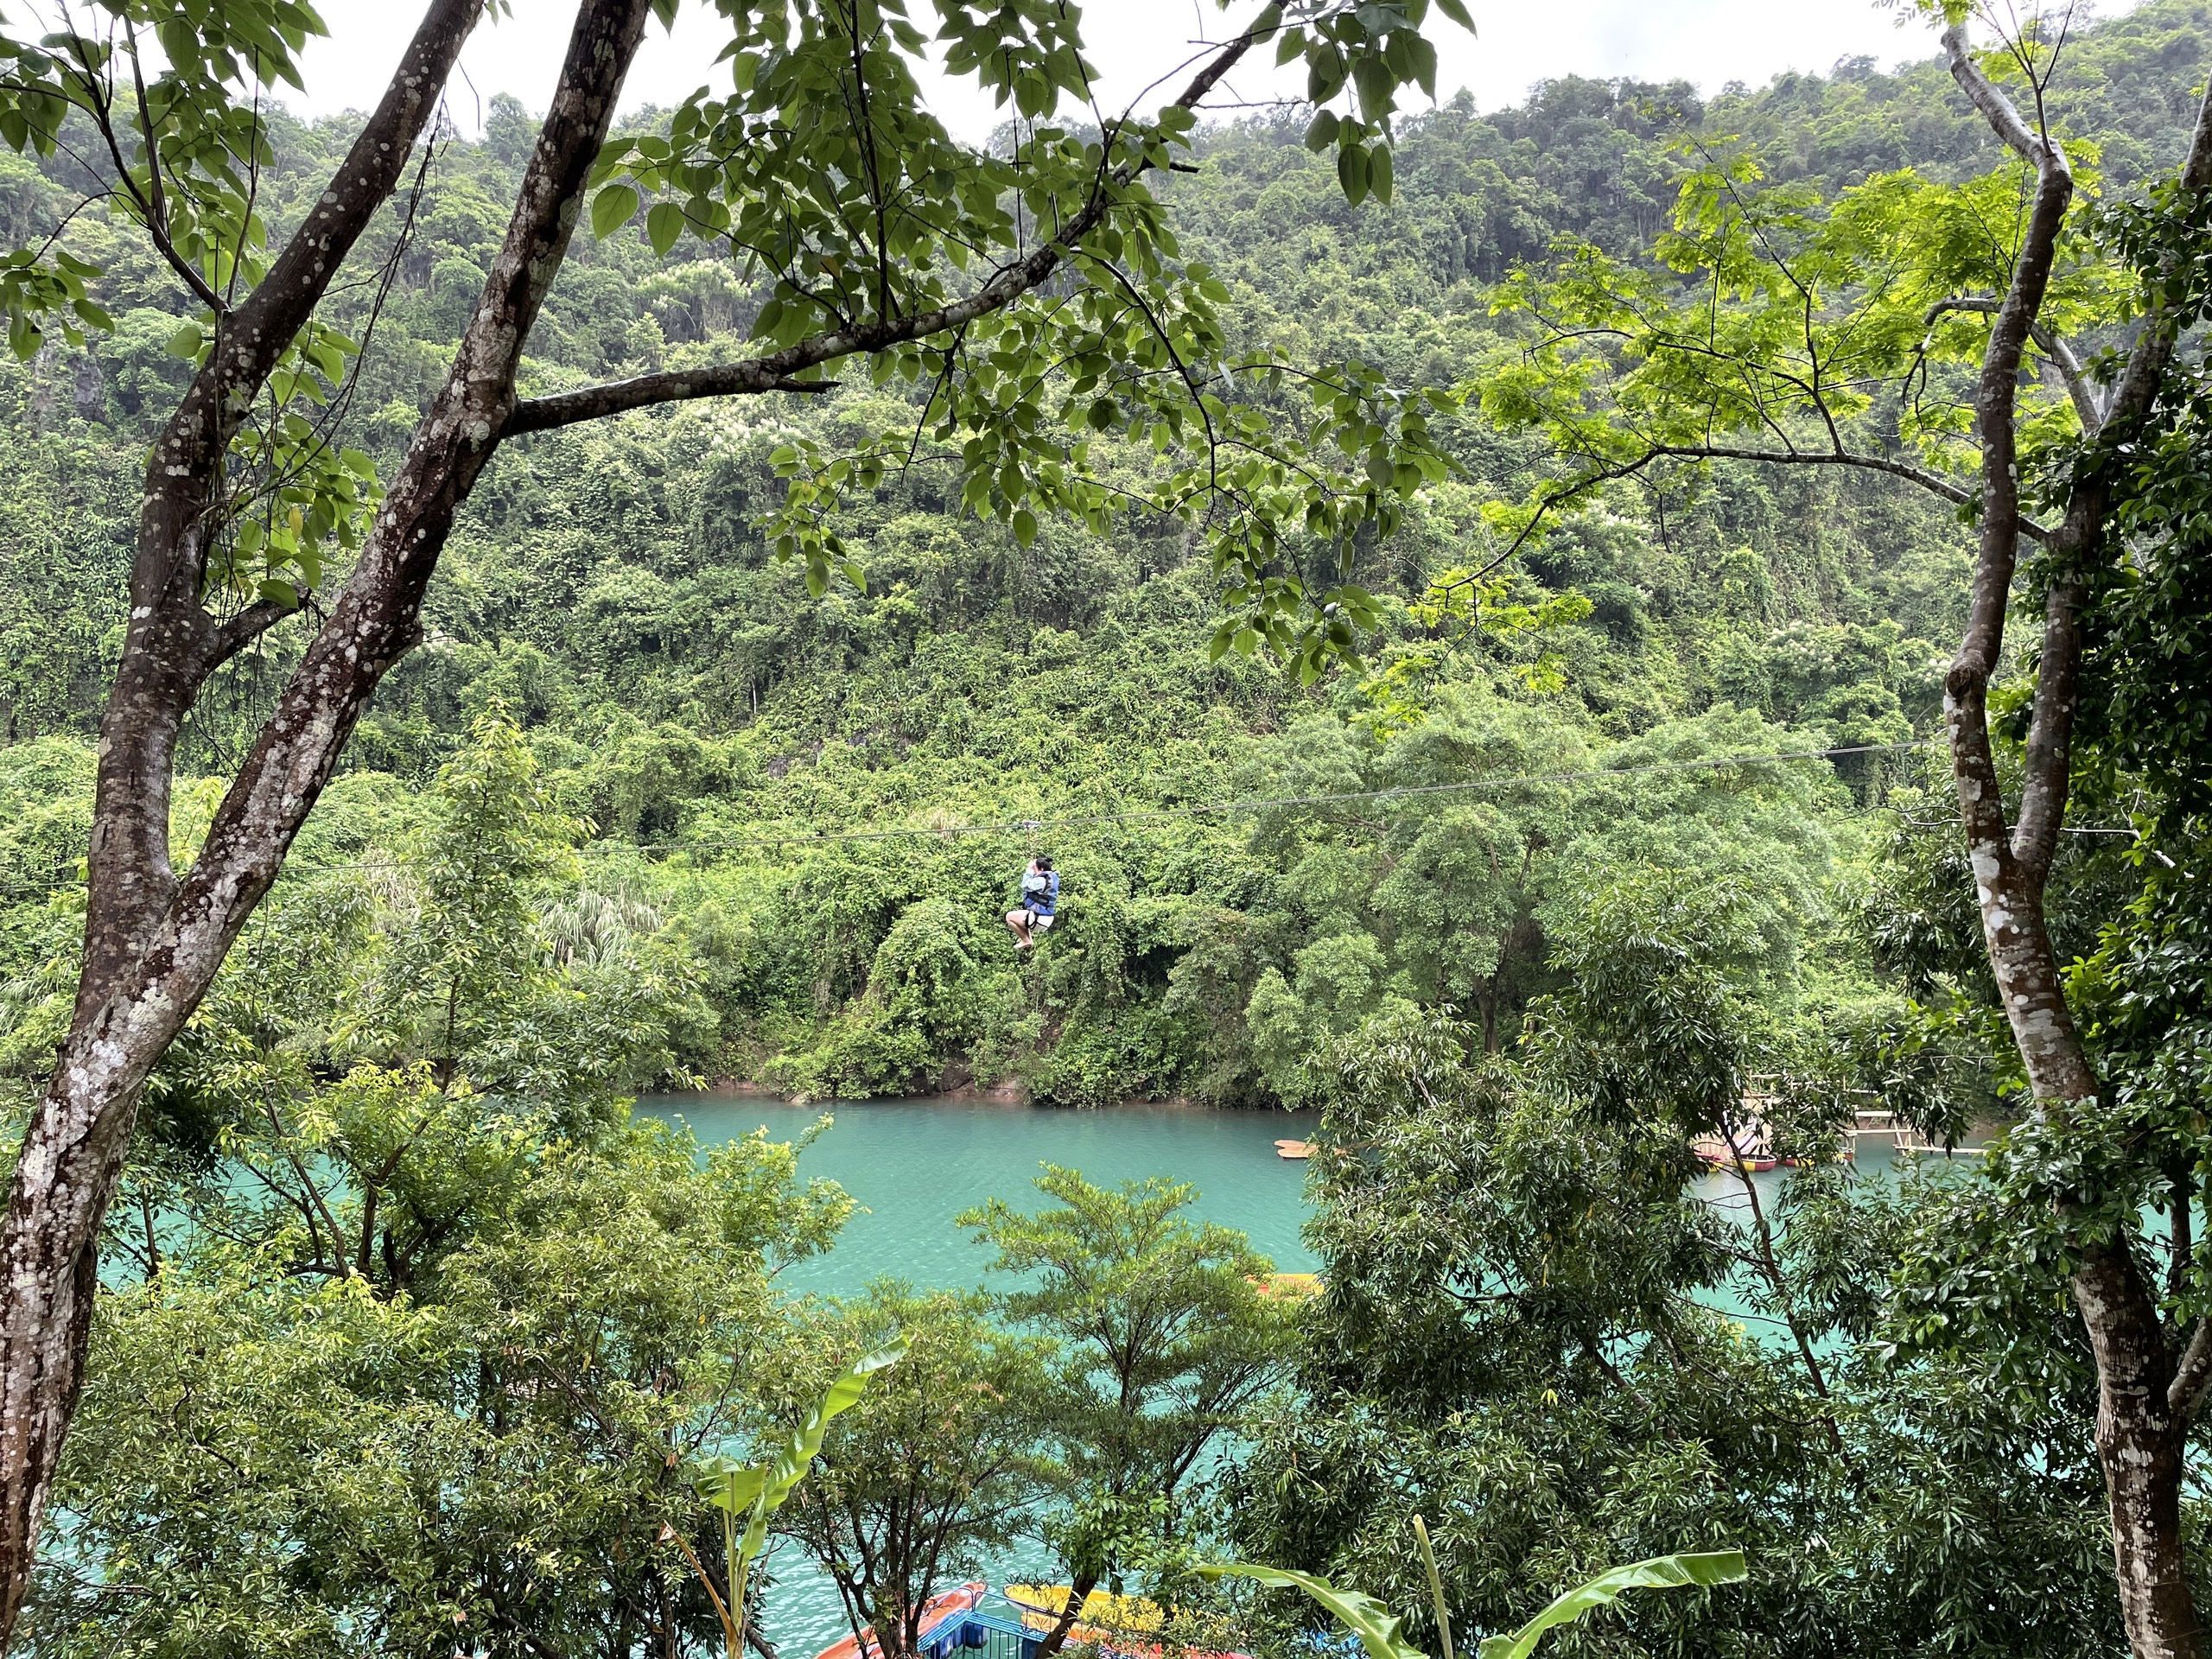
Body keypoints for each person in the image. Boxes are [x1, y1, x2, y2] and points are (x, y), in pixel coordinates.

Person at [1005, 855, 1058, 950]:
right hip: (1045, 917)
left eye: (1035, 869)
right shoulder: (1051, 878)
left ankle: (1026, 940)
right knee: (1021, 917)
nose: (1034, 871)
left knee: (1009, 917)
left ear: (1041, 869)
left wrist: (1029, 869)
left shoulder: (1041, 881)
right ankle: (1028, 940)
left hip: (1039, 918)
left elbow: (1025, 885)